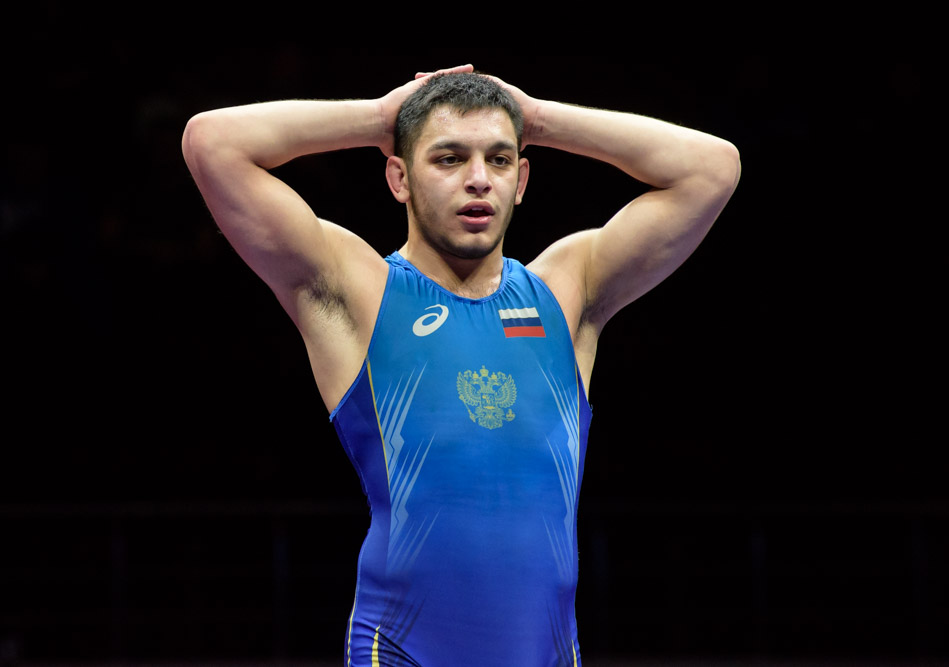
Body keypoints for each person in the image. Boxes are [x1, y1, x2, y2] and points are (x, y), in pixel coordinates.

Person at [182, 64, 740, 666]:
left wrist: (537, 118)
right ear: (398, 177)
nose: (478, 180)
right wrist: (379, 117)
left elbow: (712, 167)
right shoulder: (361, 290)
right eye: (448, 159)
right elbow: (212, 143)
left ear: (521, 179)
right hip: (401, 652)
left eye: (499, 160)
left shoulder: (567, 290)